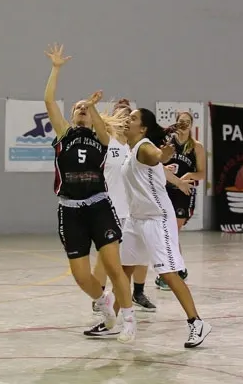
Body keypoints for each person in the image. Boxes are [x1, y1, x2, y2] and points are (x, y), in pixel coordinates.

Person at [85, 108, 212, 348]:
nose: (128, 120)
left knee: (168, 273)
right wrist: (176, 179)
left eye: (133, 118)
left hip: (157, 219)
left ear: (143, 129)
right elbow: (159, 167)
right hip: (136, 220)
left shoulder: (144, 147)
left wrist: (163, 155)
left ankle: (197, 322)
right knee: (123, 271)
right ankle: (111, 322)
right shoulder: (130, 149)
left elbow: (156, 157)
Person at [42, 43, 136, 341]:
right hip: (70, 209)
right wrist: (56, 68)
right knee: (81, 275)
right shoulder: (64, 134)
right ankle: (104, 302)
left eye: (86, 108)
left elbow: (102, 129)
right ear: (71, 116)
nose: (82, 110)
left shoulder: (101, 137)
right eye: (78, 108)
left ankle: (129, 319)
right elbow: (49, 101)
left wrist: (93, 106)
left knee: (113, 266)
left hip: (99, 206)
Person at [90, 98, 158, 312]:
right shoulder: (106, 140)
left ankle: (138, 292)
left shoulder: (137, 146)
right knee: (105, 257)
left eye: (129, 116)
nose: (125, 119)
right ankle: (99, 296)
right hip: (110, 208)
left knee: (139, 255)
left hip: (134, 209)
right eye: (120, 115)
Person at [156, 110, 207, 291]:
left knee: (172, 232)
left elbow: (202, 173)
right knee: (168, 232)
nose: (184, 124)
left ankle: (173, 270)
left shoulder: (196, 147)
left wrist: (189, 175)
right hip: (165, 191)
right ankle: (177, 268)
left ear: (192, 125)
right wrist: (164, 168)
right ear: (176, 123)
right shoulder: (167, 144)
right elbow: (155, 163)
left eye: (187, 121)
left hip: (183, 193)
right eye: (181, 121)